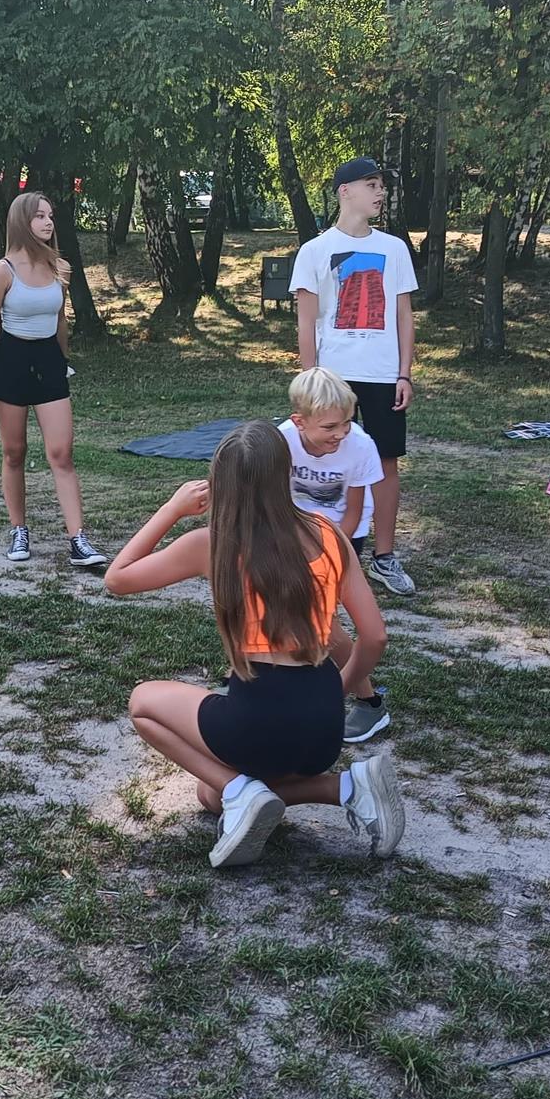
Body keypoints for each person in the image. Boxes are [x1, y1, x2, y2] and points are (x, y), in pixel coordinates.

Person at [104, 420, 405, 868]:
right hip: (324, 726)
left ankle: (242, 790)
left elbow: (117, 579)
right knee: (209, 796)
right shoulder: (329, 534)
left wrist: (170, 510)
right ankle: (343, 786)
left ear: (221, 482)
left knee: (143, 703)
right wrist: (337, 691)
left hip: (259, 719)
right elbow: (375, 635)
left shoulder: (212, 543)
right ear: (286, 472)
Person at [291, 157, 418, 596]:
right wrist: (311, 379)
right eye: (372, 184)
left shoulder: (395, 248)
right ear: (345, 191)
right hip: (333, 377)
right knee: (328, 458)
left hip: (382, 375)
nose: (380, 192)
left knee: (385, 462)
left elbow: (404, 315)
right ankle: (322, 548)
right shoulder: (314, 251)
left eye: (382, 185)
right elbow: (307, 321)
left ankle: (383, 557)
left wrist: (404, 374)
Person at [0, 190, 107, 569]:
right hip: (11, 362)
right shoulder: (3, 271)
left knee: (61, 454)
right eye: (39, 216)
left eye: (50, 216)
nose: (48, 222)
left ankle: (78, 540)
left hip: (48, 362)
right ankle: (19, 530)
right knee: (14, 452)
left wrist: (63, 363)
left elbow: (60, 320)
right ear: (22, 221)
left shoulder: (59, 268)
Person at [278, 367, 389, 742]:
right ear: (299, 421)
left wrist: (328, 553)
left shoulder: (360, 445)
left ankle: (369, 702)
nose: (341, 433)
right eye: (330, 427)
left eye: (346, 422)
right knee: (289, 614)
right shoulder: (281, 440)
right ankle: (264, 681)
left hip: (342, 537)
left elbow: (354, 512)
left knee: (323, 622)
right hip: (292, 534)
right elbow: (275, 497)